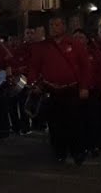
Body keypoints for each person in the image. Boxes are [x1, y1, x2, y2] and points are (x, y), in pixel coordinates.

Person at [29, 17, 91, 164]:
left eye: (57, 24)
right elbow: (34, 67)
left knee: (74, 123)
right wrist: (34, 84)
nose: (53, 27)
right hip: (51, 89)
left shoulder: (75, 44)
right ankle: (59, 152)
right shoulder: (42, 46)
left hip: (71, 89)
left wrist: (84, 87)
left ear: (63, 26)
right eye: (51, 24)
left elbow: (85, 67)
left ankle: (77, 152)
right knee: (55, 124)